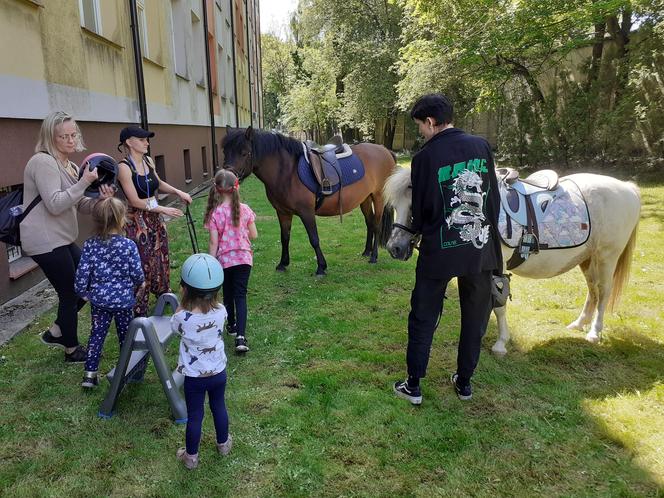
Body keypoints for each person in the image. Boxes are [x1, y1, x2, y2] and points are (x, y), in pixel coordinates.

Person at [393, 94, 503, 405]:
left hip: (440, 250)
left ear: (430, 122)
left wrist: (417, 235)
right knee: (474, 316)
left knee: (424, 316)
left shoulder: (424, 158)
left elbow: (424, 209)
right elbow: (492, 199)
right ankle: (464, 382)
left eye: (420, 127)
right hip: (480, 247)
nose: (421, 134)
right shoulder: (481, 147)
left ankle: (413, 385)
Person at [20, 111, 114, 363]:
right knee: (69, 292)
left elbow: (79, 202)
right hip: (44, 240)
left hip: (61, 237)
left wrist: (100, 200)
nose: (71, 140)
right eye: (64, 136)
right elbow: (55, 203)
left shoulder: (68, 164)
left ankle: (57, 330)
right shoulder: (43, 163)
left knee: (89, 282)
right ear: (51, 137)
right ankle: (72, 350)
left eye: (74, 135)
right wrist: (83, 182)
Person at [116, 126, 192, 317]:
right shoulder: (124, 167)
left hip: (154, 219)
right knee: (142, 262)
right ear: (129, 142)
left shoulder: (148, 161)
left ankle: (162, 294)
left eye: (146, 139)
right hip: (137, 222)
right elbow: (134, 200)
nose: (146, 142)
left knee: (160, 257)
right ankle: (139, 306)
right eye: (142, 139)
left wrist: (178, 191)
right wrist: (163, 209)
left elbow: (158, 183)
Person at [74, 197, 144, 388]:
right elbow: (137, 273)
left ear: (96, 221)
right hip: (123, 301)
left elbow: (82, 273)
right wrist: (141, 284)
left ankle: (89, 375)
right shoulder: (129, 245)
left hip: (100, 301)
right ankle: (128, 372)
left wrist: (83, 292)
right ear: (122, 219)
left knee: (96, 336)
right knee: (126, 336)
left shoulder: (90, 245)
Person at [172, 253, 232, 470]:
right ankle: (223, 444)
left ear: (184, 289)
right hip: (218, 373)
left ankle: (190, 457)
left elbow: (174, 328)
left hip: (194, 377)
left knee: (195, 416)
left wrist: (181, 305)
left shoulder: (182, 317)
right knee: (219, 407)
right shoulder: (221, 311)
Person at [204, 169, 258, 353]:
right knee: (240, 295)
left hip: (225, 261)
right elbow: (254, 235)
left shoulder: (215, 214)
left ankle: (232, 325)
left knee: (228, 293)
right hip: (244, 259)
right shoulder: (245, 209)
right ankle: (241, 338)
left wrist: (211, 263)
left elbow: (213, 242)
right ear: (236, 187)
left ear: (217, 190)